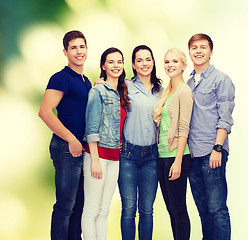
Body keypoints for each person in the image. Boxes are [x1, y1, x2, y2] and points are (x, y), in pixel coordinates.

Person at [38, 30, 91, 240]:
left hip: (80, 149)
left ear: (87, 49)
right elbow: (45, 112)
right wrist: (71, 139)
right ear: (65, 52)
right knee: (65, 207)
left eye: (82, 46)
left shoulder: (85, 81)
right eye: (73, 48)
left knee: (78, 206)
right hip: (66, 148)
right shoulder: (60, 78)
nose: (78, 51)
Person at [186, 33, 235, 240]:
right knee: (203, 211)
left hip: (211, 152)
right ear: (189, 52)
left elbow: (225, 118)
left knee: (218, 210)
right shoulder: (187, 83)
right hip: (192, 155)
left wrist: (217, 149)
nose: (198, 51)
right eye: (194, 47)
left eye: (203, 47)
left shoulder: (221, 79)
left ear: (211, 52)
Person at [81, 47, 129, 240]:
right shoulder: (97, 91)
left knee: (104, 210)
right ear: (103, 66)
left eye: (119, 61)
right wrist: (94, 160)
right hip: (97, 156)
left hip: (115, 158)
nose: (115, 65)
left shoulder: (122, 93)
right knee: (91, 209)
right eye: (111, 62)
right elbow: (91, 127)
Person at [118, 45, 162, 240]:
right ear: (134, 65)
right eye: (140, 60)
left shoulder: (162, 90)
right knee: (128, 208)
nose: (145, 64)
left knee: (147, 210)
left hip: (152, 156)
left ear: (153, 62)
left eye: (148, 59)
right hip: (128, 155)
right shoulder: (125, 86)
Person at [153, 48, 193, 240]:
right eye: (167, 62)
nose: (170, 65)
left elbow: (184, 128)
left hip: (176, 157)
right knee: (171, 209)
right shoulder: (167, 91)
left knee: (178, 209)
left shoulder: (184, 92)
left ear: (184, 65)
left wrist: (177, 161)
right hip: (162, 156)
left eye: (175, 62)